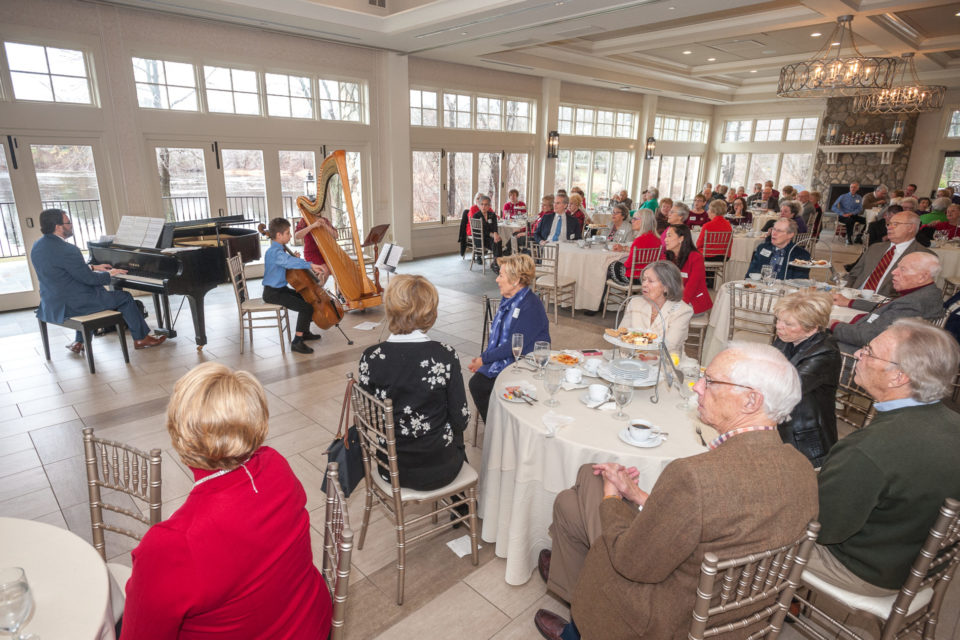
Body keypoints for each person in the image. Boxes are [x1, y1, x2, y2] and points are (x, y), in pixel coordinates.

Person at [533, 343, 817, 640]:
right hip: (740, 613)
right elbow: (725, 521)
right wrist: (640, 496)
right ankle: (572, 609)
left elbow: (631, 563)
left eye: (712, 381)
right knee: (569, 504)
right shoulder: (802, 469)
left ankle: (577, 629)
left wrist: (612, 498)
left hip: (671, 617)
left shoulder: (694, 475)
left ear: (750, 401)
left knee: (591, 481)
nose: (697, 387)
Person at [120, 362, 332, 638]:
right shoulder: (275, 464)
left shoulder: (171, 546)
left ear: (179, 436)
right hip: (312, 624)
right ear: (257, 422)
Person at [809, 320, 960, 597]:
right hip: (924, 563)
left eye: (869, 351)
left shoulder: (868, 450)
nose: (858, 355)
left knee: (754, 528)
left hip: (868, 570)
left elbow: (820, 528)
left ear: (898, 377)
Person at [357, 275, 469, 490]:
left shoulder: (371, 357)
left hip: (391, 468)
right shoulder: (444, 355)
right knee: (455, 429)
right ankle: (461, 501)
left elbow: (369, 419)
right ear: (430, 312)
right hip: (441, 469)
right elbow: (460, 418)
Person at [31, 208, 167, 353]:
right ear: (58, 227)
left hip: (51, 302)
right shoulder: (68, 249)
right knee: (124, 297)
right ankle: (141, 338)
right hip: (73, 305)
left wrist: (93, 267)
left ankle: (79, 342)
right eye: (68, 222)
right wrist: (110, 273)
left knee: (97, 293)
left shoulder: (38, 245)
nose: (71, 225)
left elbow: (62, 270)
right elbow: (89, 280)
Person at [468, 254, 550, 423]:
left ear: (516, 280)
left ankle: (499, 428)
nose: (497, 279)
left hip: (528, 364)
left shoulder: (530, 306)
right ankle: (498, 423)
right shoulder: (510, 301)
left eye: (501, 275)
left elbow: (513, 345)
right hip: (513, 358)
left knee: (479, 385)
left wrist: (484, 359)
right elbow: (500, 341)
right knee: (478, 383)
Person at [772, 291, 841, 467]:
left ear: (812, 327)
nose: (779, 327)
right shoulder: (786, 339)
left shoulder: (825, 353)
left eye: (788, 324)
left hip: (805, 434)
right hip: (782, 417)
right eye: (778, 320)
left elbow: (786, 388)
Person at [831, 252, 944, 353]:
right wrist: (849, 302)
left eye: (903, 269)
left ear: (922, 277)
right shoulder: (931, 292)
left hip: (858, 354)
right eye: (897, 267)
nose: (894, 272)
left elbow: (868, 336)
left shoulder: (913, 303)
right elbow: (887, 307)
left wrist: (834, 325)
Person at [262, 217, 328, 354]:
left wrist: (295, 260)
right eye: (287, 233)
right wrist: (309, 264)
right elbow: (287, 262)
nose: (291, 235)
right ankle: (297, 341)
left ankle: (304, 332)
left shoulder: (278, 250)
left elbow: (287, 262)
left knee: (307, 298)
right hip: (273, 293)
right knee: (306, 308)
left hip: (280, 289)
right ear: (279, 235)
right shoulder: (274, 252)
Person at [842, 211, 933, 299]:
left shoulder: (924, 257)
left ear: (910, 228)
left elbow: (911, 295)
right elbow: (853, 275)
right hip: (854, 296)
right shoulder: (875, 248)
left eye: (895, 224)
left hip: (885, 305)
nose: (889, 228)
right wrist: (845, 292)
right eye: (888, 224)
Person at [617, 261, 692, 353]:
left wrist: (635, 344)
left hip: (664, 364)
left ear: (666, 286)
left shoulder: (682, 311)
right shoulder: (635, 302)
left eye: (650, 281)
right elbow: (621, 334)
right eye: (644, 280)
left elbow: (669, 346)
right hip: (632, 360)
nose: (644, 284)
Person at [663, 224, 712, 315]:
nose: (665, 239)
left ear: (681, 239)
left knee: (665, 315)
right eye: (666, 236)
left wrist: (678, 306)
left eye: (669, 236)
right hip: (675, 299)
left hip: (694, 302)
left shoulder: (696, 257)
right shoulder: (669, 257)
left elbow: (692, 286)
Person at [606, 210, 660, 286]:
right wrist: (624, 248)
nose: (632, 221)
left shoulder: (639, 240)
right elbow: (640, 251)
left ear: (644, 221)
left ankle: (603, 295)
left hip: (635, 277)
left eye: (635, 219)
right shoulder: (657, 239)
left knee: (611, 265)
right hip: (649, 275)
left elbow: (628, 264)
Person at [745, 218, 810, 281]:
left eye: (779, 231)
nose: (774, 233)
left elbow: (799, 282)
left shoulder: (801, 255)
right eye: (774, 229)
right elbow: (750, 274)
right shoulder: (762, 248)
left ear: (790, 235)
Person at [697, 199, 732, 287]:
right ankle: (710, 281)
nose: (707, 211)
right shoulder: (728, 225)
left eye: (709, 209)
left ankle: (696, 282)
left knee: (692, 253)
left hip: (708, 256)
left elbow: (698, 244)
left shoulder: (707, 225)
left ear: (713, 211)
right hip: (723, 256)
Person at [293, 213, 336, 285]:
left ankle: (338, 292)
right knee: (324, 270)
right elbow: (297, 236)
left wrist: (324, 225)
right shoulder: (304, 220)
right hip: (312, 252)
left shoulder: (324, 220)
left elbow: (335, 235)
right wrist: (312, 226)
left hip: (326, 252)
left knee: (338, 269)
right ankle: (319, 290)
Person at [472, 195, 506, 271]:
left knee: (498, 240)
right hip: (480, 239)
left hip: (490, 238)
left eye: (486, 204)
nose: (484, 206)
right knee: (496, 242)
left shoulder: (492, 215)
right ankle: (497, 263)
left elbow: (495, 226)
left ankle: (496, 263)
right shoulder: (476, 216)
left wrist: (495, 233)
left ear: (489, 206)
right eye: (482, 204)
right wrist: (492, 234)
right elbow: (481, 231)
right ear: (479, 205)